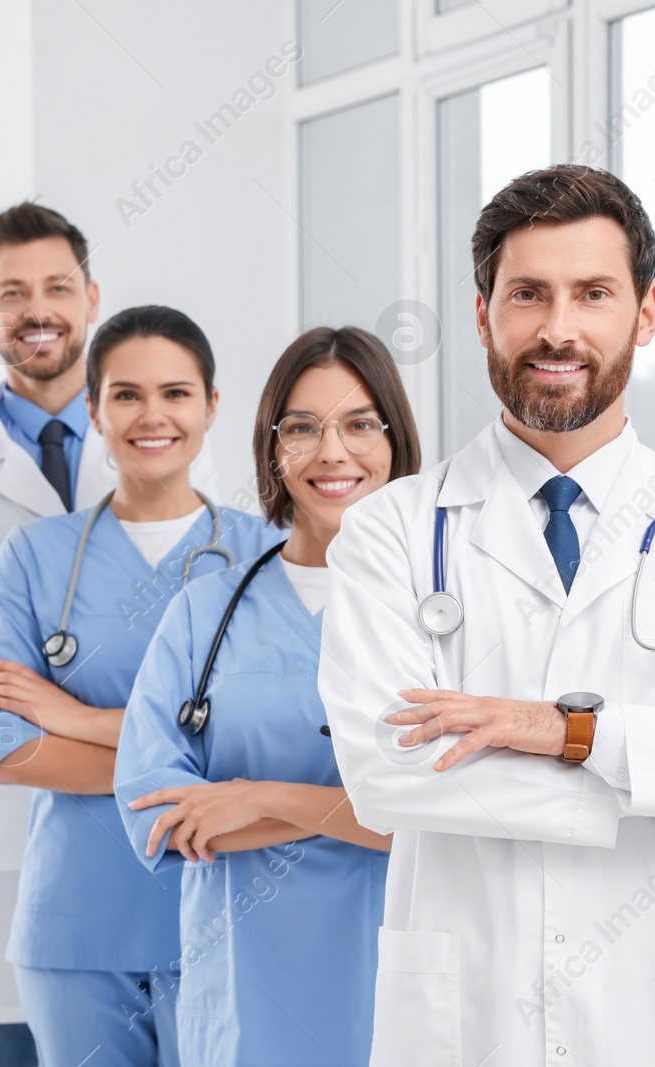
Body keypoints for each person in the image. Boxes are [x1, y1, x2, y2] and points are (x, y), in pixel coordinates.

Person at [318, 164, 655, 1066]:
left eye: (594, 293)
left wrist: (564, 731)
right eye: (528, 293)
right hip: (472, 1026)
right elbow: (390, 776)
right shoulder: (392, 532)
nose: (558, 328)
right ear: (483, 311)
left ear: (645, 313)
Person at [0, 202, 214, 1061]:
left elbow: (194, 644)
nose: (39, 309)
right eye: (14, 292)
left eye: (58, 286)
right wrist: (108, 638)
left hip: (154, 833)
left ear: (92, 295)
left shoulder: (156, 435)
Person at [0, 305, 280, 1066]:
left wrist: (71, 715)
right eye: (127, 395)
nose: (153, 416)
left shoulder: (266, 556)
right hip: (76, 923)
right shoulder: (33, 557)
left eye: (176, 393)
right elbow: (12, 748)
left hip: (225, 911)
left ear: (212, 406)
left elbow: (272, 743)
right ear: (93, 408)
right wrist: (185, 757)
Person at [112, 327, 415, 1066]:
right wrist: (360, 816)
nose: (332, 452)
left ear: (395, 440)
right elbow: (156, 816)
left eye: (358, 424)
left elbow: (458, 814)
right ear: (274, 447)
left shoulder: (439, 608)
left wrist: (253, 798)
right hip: (245, 988)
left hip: (398, 976)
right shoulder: (204, 611)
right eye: (304, 427)